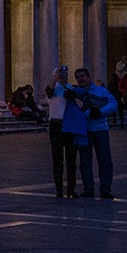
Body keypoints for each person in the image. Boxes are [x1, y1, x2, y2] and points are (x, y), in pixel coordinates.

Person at [72, 67, 118, 199]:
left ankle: (105, 189)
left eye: (82, 76)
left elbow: (113, 104)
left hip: (100, 129)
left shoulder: (101, 90)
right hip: (84, 130)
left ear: (88, 77)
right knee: (85, 162)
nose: (80, 79)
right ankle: (88, 189)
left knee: (105, 160)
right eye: (78, 77)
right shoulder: (76, 93)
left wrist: (100, 112)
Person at [45, 66, 81, 198]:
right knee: (57, 158)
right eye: (58, 73)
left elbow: (78, 103)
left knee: (71, 158)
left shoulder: (71, 88)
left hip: (69, 124)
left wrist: (73, 96)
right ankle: (59, 189)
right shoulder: (53, 88)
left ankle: (71, 188)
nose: (62, 75)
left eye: (64, 73)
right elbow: (48, 90)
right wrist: (56, 76)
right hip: (56, 124)